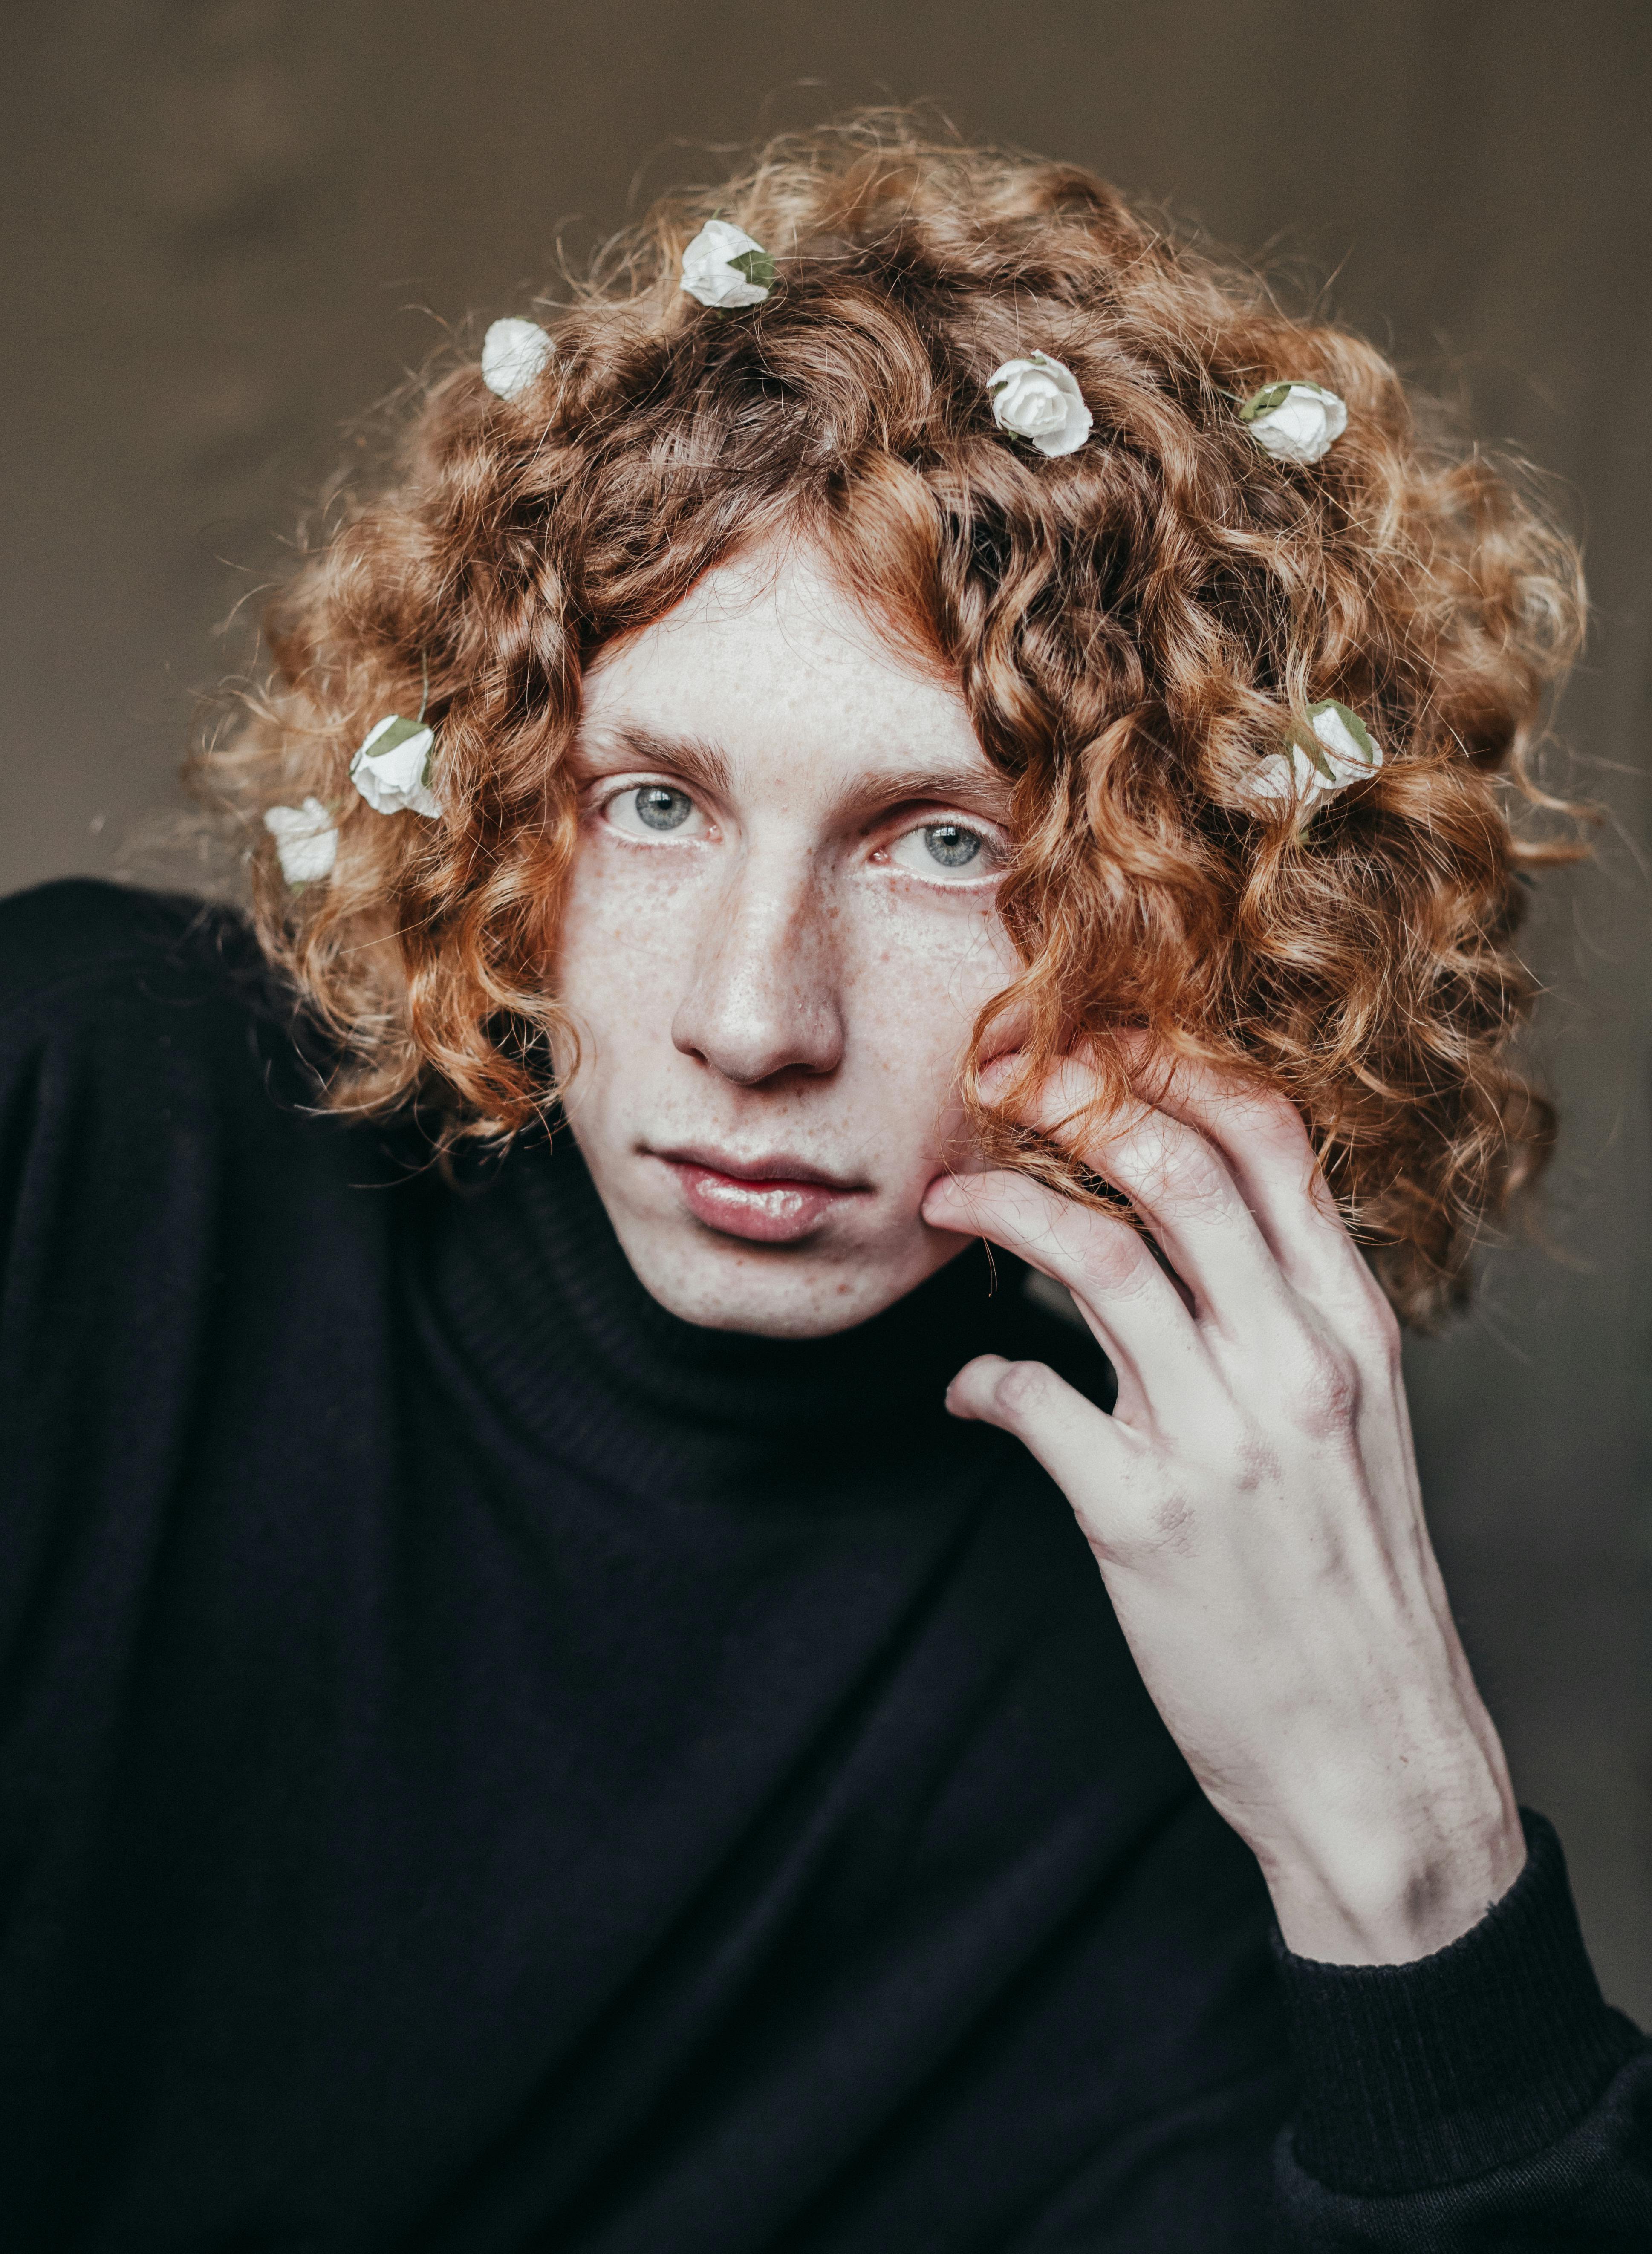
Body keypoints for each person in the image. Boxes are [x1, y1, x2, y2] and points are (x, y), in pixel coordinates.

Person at [1, 115, 1646, 2252]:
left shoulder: (1144, 1718)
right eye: (655, 801)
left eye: (947, 843)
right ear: (502, 791)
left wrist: (1407, 1843)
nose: (753, 1019)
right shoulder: (73, 1127)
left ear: (1210, 921)